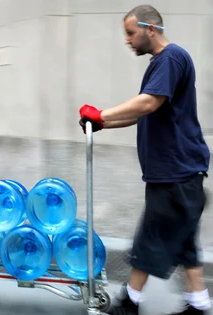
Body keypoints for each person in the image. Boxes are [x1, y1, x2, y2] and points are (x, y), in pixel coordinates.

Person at [79, 5, 210, 315]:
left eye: (130, 32)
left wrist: (101, 114)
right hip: (177, 171)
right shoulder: (163, 62)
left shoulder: (171, 58)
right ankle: (199, 303)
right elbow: (144, 114)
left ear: (150, 29)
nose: (127, 40)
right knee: (183, 241)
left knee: (150, 238)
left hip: (175, 171)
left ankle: (129, 302)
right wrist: (102, 122)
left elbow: (148, 103)